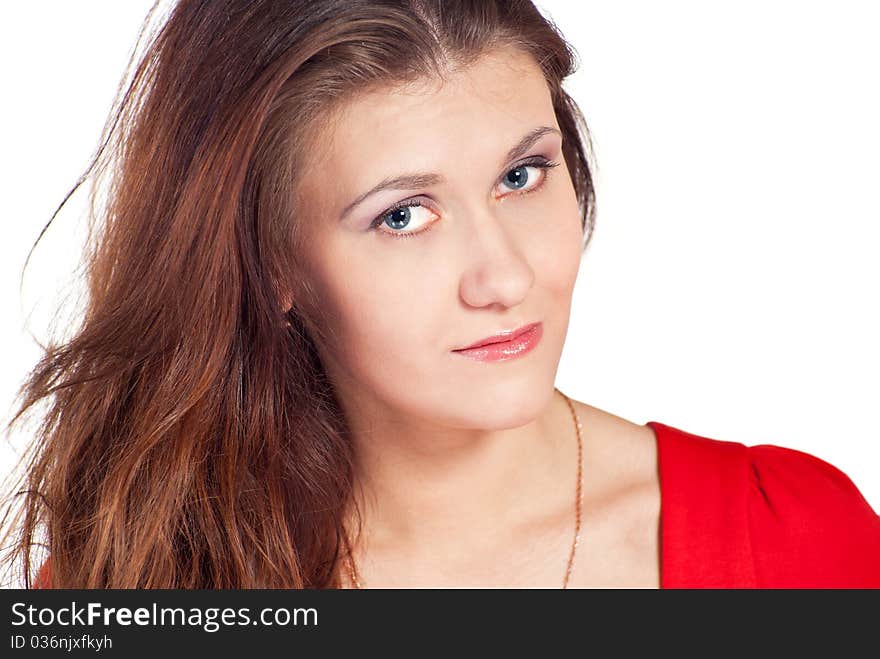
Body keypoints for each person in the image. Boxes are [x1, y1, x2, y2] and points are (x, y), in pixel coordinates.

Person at [6, 0, 879, 590]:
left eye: (522, 173)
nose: (503, 276)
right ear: (272, 265)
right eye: (403, 215)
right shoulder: (137, 577)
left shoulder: (792, 544)